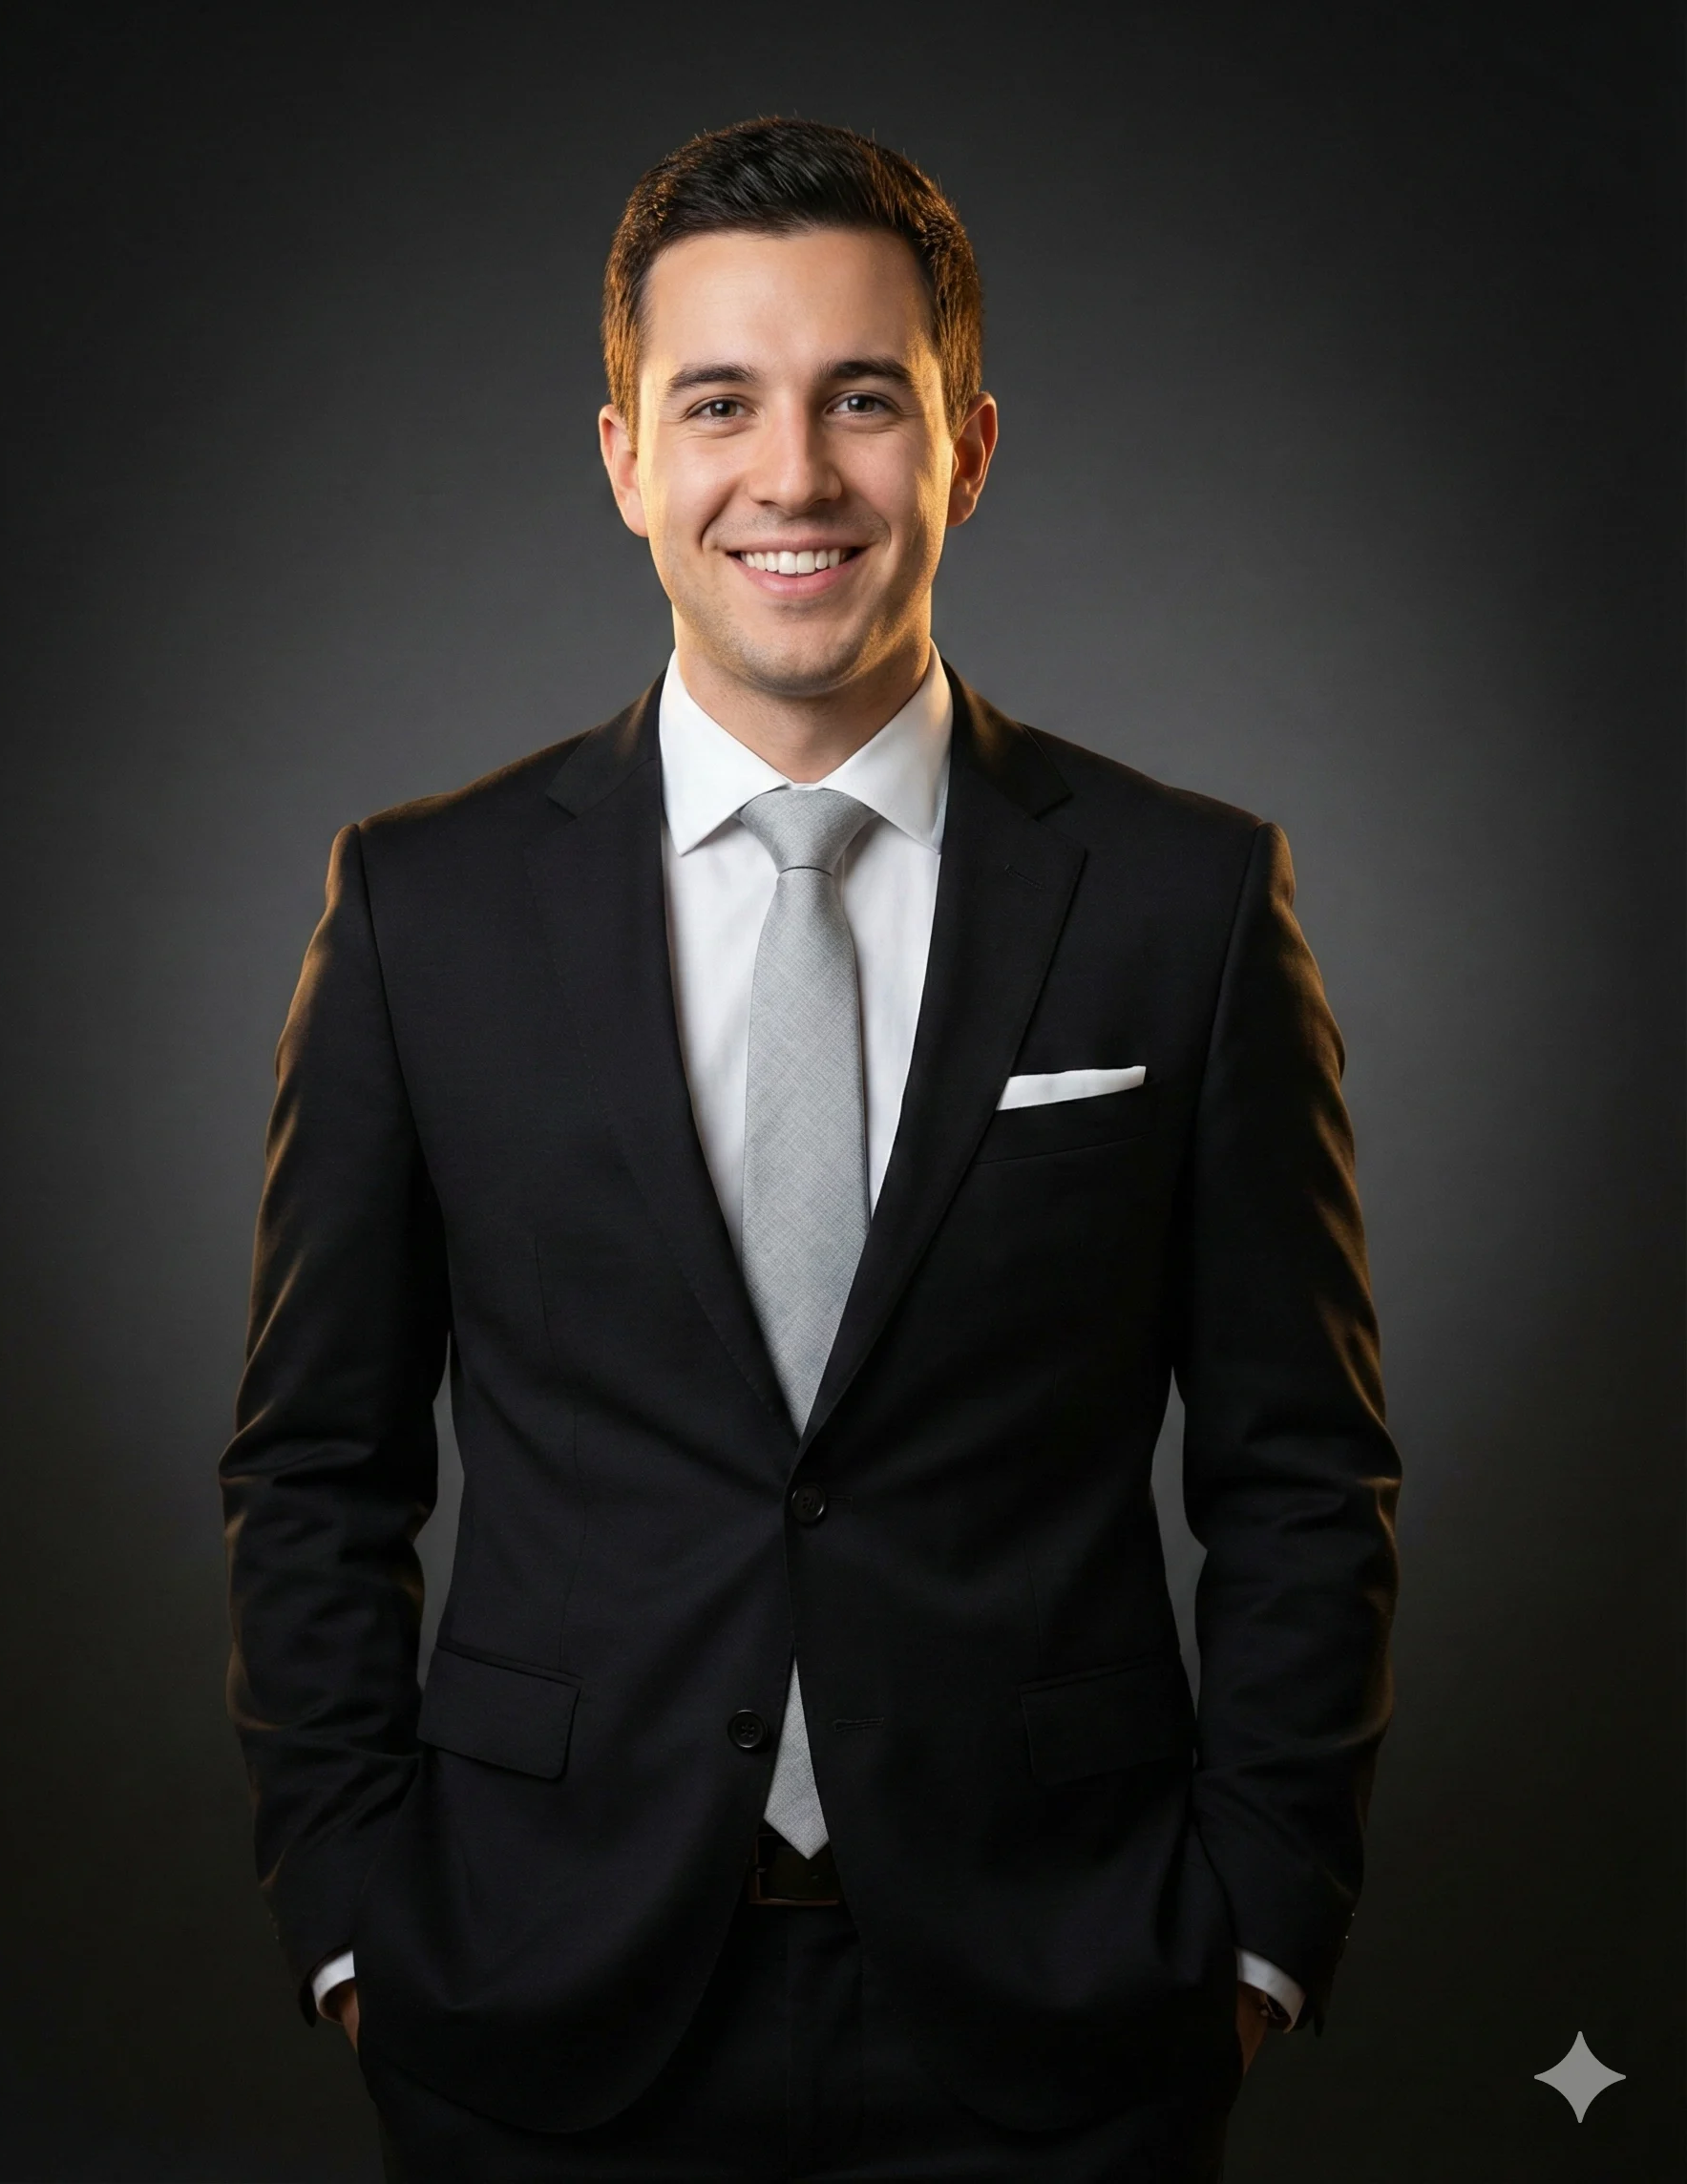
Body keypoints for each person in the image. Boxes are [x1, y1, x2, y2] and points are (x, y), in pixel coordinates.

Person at [221, 116, 1400, 2182]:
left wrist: (1257, 1930)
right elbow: (316, 1464)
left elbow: (1302, 1467)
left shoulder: (1183, 900)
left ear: (966, 448)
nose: (793, 476)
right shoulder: (424, 905)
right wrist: (349, 1920)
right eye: (720, 405)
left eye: (865, 399)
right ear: (622, 461)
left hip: (1066, 2011)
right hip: (530, 2001)